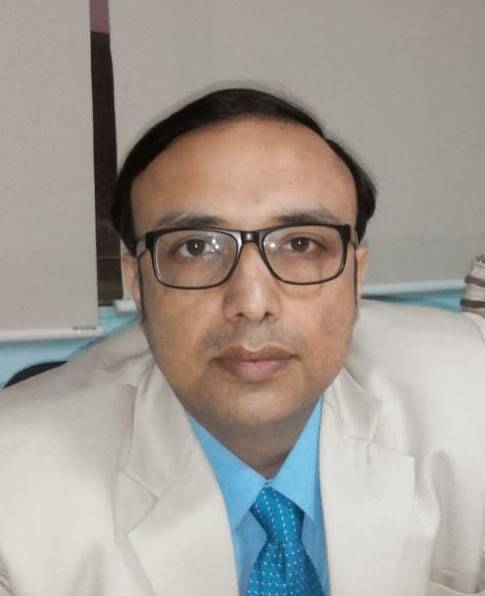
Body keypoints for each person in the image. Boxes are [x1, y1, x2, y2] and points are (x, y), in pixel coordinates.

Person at [0, 88, 483, 596]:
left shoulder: (470, 397)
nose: (252, 303)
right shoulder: (16, 494)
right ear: (137, 283)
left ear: (356, 277)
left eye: (301, 244)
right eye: (196, 247)